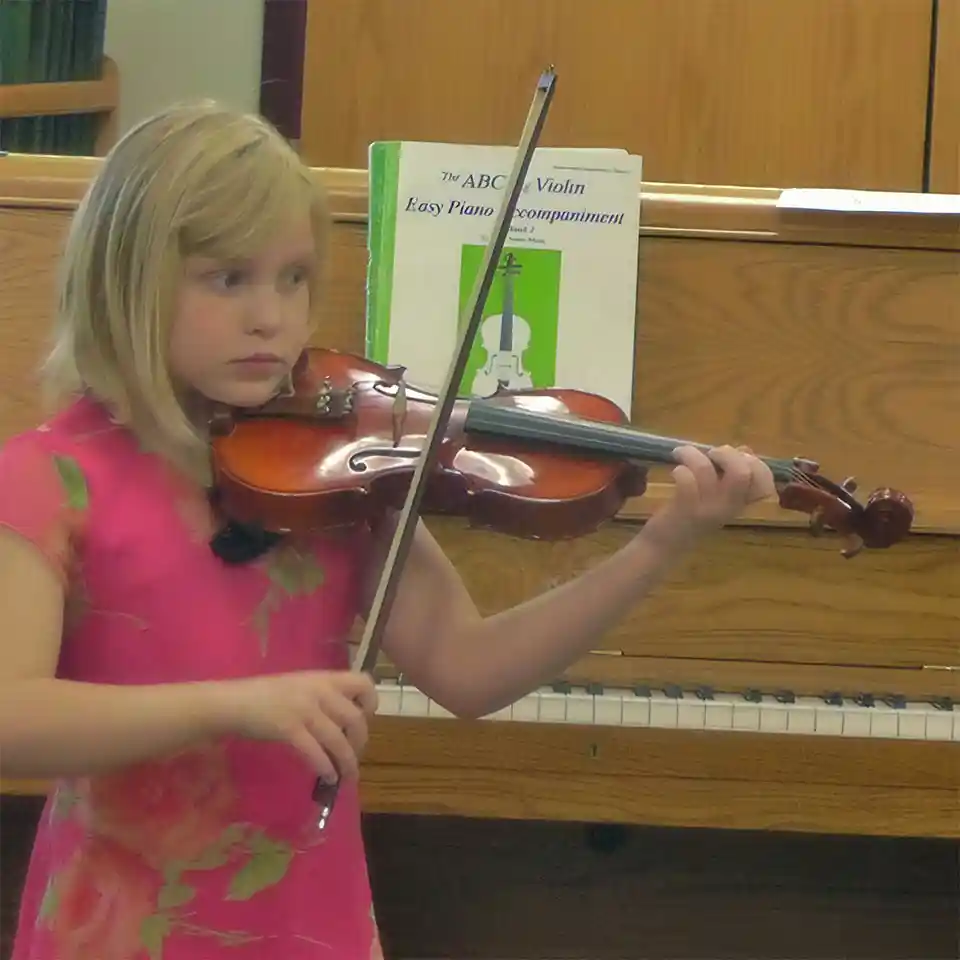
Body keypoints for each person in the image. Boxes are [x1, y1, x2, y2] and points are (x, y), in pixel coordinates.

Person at [0, 102, 775, 960]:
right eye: (229, 279)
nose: (273, 316)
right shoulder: (49, 480)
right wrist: (234, 706)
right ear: (129, 278)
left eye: (295, 278)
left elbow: (471, 670)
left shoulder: (332, 472)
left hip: (310, 927)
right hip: (119, 934)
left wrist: (662, 542)